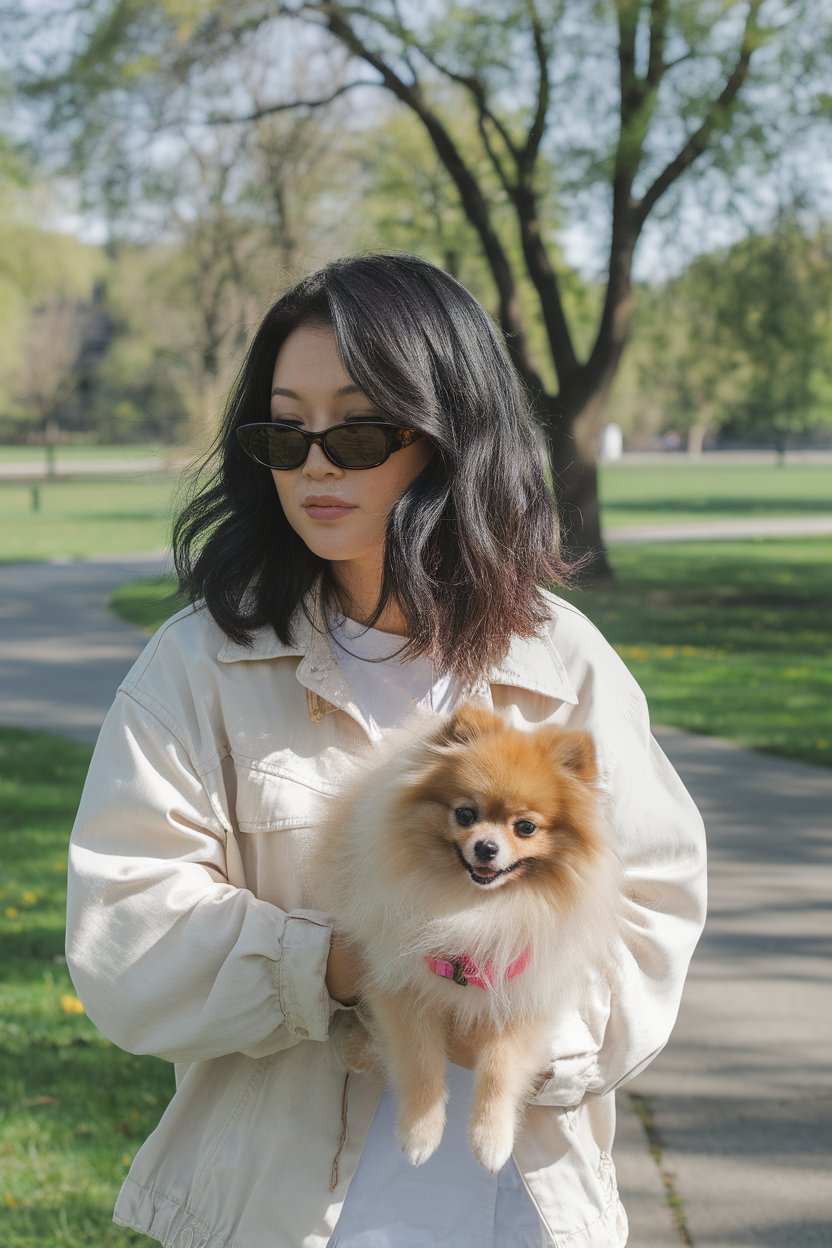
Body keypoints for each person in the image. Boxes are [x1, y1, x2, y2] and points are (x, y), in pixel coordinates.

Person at [65, 253, 707, 1248]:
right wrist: (341, 965)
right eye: (285, 431)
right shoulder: (196, 668)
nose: (316, 464)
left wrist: (520, 1018)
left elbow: (653, 917)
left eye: (359, 430)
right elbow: (126, 937)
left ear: (450, 438)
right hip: (278, 1216)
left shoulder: (565, 664)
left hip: (522, 1212)